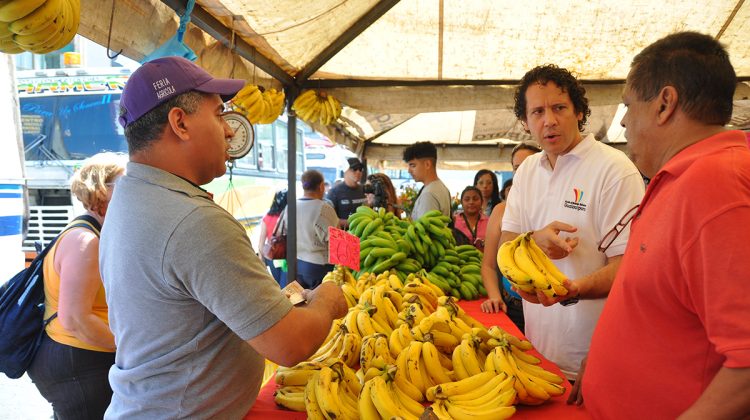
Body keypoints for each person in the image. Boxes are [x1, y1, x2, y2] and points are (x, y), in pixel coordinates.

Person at [99, 56, 347, 419]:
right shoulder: (194, 221)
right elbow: (290, 343)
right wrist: (327, 299)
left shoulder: (129, 196)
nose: (230, 131)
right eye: (219, 115)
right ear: (180, 123)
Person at [576, 32, 750, 418]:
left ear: (664, 104)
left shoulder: (717, 186)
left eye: (627, 105)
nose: (623, 121)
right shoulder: (681, 179)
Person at [498, 64, 646, 380]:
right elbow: (505, 244)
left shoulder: (614, 170)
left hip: (595, 361)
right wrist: (533, 241)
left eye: (559, 108)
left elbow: (630, 265)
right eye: (537, 112)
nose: (549, 120)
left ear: (579, 111)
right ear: (525, 122)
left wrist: (573, 290)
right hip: (536, 355)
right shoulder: (526, 172)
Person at [28, 153, 124, 419]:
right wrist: (126, 347)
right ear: (103, 191)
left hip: (79, 358)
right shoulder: (85, 241)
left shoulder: (92, 235)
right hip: (78, 361)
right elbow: (75, 319)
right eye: (128, 187)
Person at [480, 142, 541, 331]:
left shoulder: (554, 209)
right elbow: (488, 265)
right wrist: (495, 296)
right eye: (516, 168)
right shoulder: (501, 211)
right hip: (512, 307)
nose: (522, 172)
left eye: (528, 165)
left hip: (548, 310)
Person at [281, 170, 338, 289]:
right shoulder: (324, 208)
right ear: (321, 186)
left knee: (301, 304)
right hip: (319, 268)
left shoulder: (290, 206)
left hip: (295, 265)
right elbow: (336, 240)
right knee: (317, 304)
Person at [403, 141, 451, 220]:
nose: (409, 171)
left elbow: (425, 230)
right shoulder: (440, 187)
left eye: (413, 165)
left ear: (427, 164)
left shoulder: (429, 194)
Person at [257, 189, 287, 287]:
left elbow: (261, 241)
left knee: (277, 284)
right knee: (285, 284)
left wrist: (261, 258)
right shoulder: (289, 216)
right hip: (286, 257)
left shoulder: (267, 217)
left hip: (272, 255)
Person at [326, 157, 366, 228]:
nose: (358, 172)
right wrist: (353, 223)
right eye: (354, 169)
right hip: (344, 235)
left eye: (360, 169)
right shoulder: (334, 192)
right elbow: (329, 219)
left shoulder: (364, 189)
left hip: (365, 233)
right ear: (345, 171)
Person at [452, 186, 488, 251]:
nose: (471, 202)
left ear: (482, 202)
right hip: (460, 259)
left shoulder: (489, 222)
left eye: (475, 199)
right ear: (461, 203)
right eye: (467, 199)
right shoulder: (454, 220)